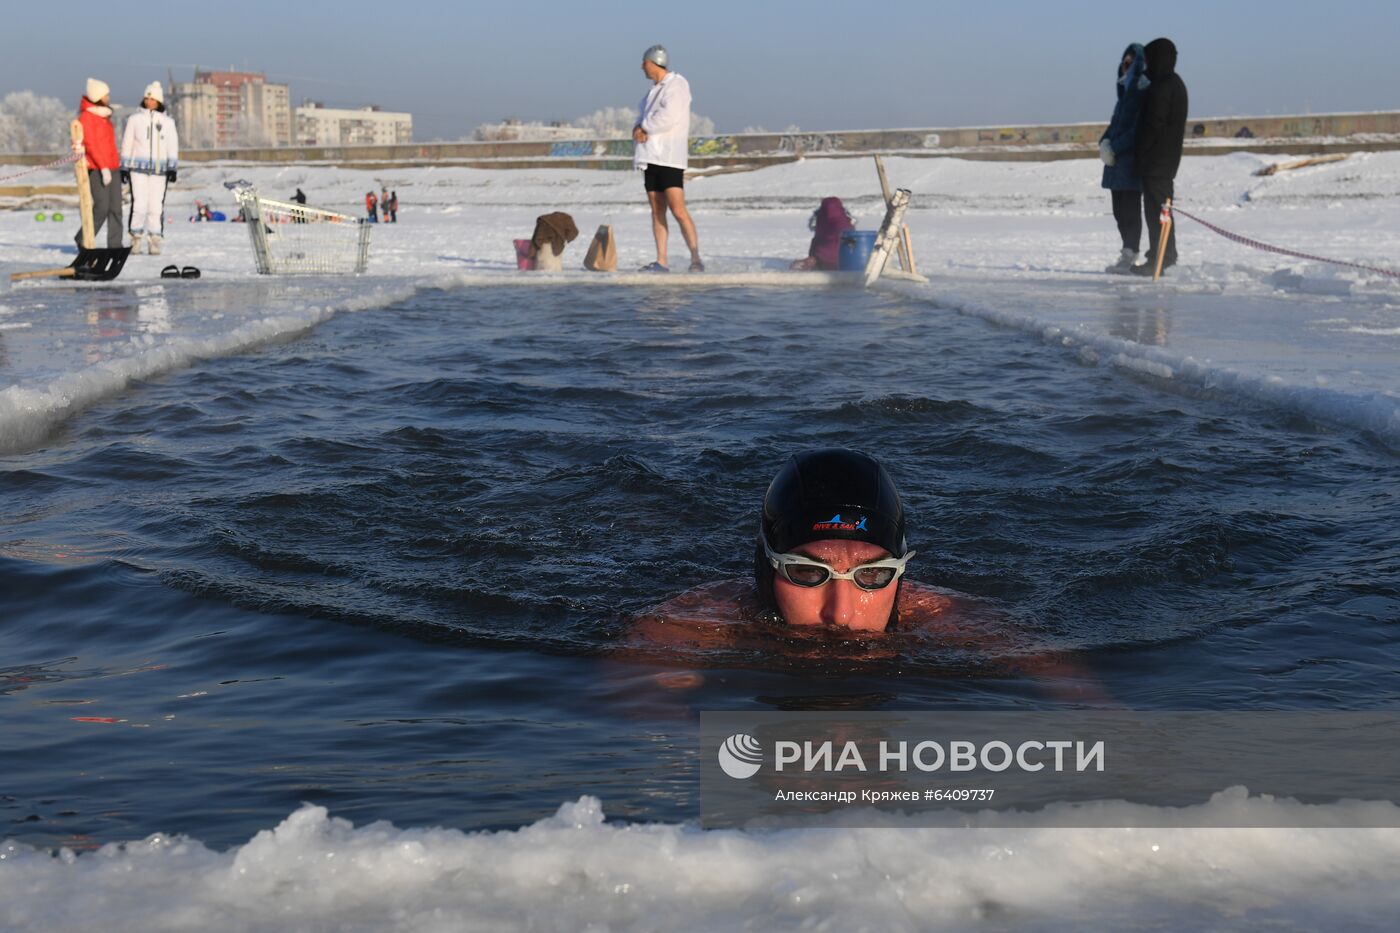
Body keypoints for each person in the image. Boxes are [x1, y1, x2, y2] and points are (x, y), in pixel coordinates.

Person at [632, 44, 703, 273]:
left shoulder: (677, 85)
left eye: (644, 62)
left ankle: (695, 258)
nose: (642, 67)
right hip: (650, 156)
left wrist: (644, 127)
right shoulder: (651, 92)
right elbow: (642, 117)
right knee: (656, 208)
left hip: (669, 157)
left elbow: (669, 117)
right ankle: (661, 260)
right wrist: (637, 127)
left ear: (654, 63)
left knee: (678, 208)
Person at [1132, 37, 1188, 276]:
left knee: (1157, 212)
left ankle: (1161, 258)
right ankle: (1162, 255)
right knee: (1160, 211)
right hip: (1165, 160)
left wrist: (1140, 154)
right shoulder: (1174, 82)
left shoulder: (1163, 85)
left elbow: (1152, 125)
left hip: (1157, 162)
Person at [1098, 44, 1148, 274]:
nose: (1126, 67)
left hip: (1130, 162)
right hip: (1116, 164)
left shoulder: (1141, 89)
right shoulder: (1123, 93)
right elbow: (1115, 124)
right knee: (1119, 211)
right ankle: (1126, 251)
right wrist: (1104, 141)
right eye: (1124, 62)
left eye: (1131, 62)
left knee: (1130, 210)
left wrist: (1115, 147)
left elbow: (1137, 129)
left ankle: (1131, 252)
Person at [120, 81, 179, 256]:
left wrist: (172, 167)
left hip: (159, 171)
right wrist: (124, 167)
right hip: (137, 169)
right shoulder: (134, 120)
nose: (149, 101)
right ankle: (135, 238)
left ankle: (154, 240)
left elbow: (172, 145)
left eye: (152, 98)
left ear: (158, 101)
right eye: (146, 98)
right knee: (139, 205)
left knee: (155, 207)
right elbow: (127, 143)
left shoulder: (168, 122)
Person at [74, 78, 123, 250]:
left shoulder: (104, 116)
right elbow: (92, 145)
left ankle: (115, 244)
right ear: (97, 96)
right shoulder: (87, 117)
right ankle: (83, 238)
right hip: (97, 169)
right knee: (102, 207)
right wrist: (102, 168)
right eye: (106, 95)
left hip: (113, 167)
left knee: (116, 207)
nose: (108, 97)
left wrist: (115, 165)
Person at [790, 197, 854, 271]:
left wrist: (814, 256)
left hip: (821, 259)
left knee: (817, 241)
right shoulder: (845, 220)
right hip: (843, 260)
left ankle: (813, 261)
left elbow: (817, 238)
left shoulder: (821, 217)